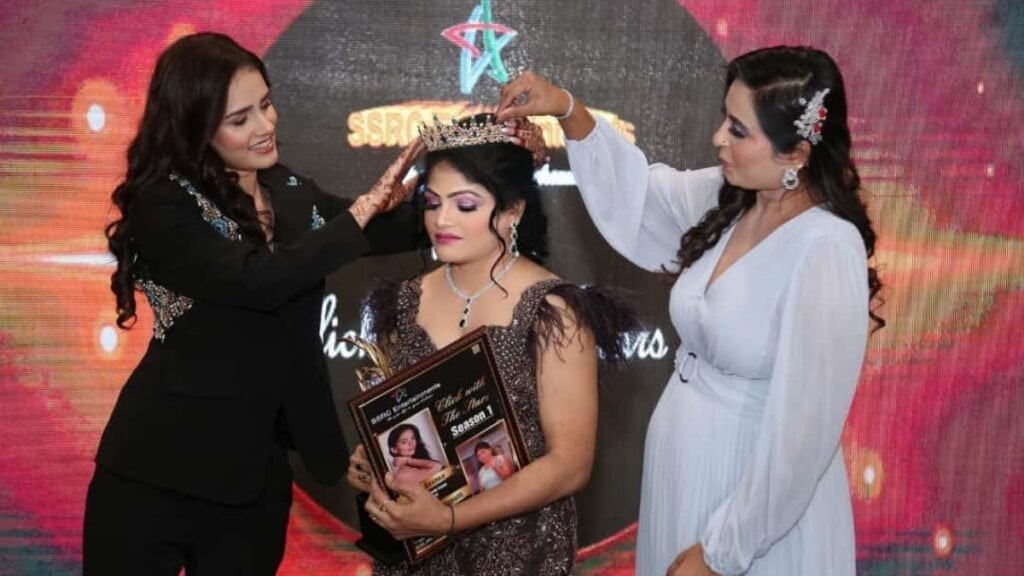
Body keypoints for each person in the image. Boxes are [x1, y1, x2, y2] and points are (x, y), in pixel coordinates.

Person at [497, 45, 884, 576]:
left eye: (738, 130)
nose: (718, 138)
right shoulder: (729, 199)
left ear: (795, 153)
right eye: (725, 119)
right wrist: (567, 108)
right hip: (682, 469)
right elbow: (638, 196)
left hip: (755, 506)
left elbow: (802, 437)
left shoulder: (826, 247)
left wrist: (721, 552)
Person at [83, 32, 426, 575]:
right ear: (196, 127)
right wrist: (361, 213)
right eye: (240, 119)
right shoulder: (164, 204)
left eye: (266, 104)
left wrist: (479, 178)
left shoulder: (288, 190)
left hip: (253, 483)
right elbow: (259, 279)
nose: (266, 125)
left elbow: (379, 230)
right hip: (155, 474)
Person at [345, 113, 641, 575]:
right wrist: (374, 461)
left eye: (465, 205)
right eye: (432, 203)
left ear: (513, 211)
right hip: (417, 550)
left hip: (517, 552)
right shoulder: (402, 300)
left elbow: (570, 465)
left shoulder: (553, 311)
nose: (441, 220)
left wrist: (450, 519)